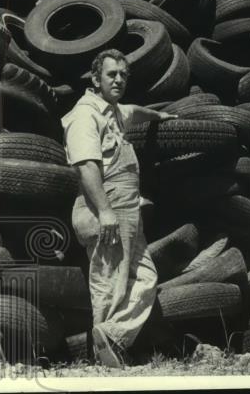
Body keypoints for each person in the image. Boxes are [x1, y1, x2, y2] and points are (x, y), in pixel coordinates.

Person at [61, 49, 177, 368]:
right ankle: (105, 357)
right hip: (103, 206)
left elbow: (133, 111)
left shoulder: (112, 111)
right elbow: (86, 165)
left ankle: (111, 337)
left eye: (124, 75)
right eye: (112, 74)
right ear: (95, 78)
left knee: (145, 276)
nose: (119, 80)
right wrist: (106, 211)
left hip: (126, 211)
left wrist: (158, 117)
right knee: (110, 281)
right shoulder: (86, 114)